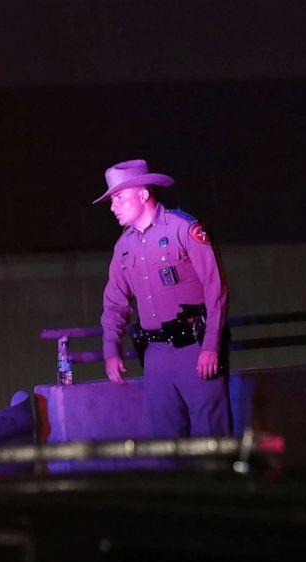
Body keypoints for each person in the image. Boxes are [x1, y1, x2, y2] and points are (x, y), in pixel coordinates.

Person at [95, 159, 232, 438]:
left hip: (195, 346)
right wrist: (111, 349)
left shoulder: (183, 229)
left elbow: (215, 288)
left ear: (143, 194)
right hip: (156, 353)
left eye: (119, 198)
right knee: (164, 438)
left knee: (211, 435)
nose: (113, 207)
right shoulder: (124, 246)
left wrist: (211, 345)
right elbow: (115, 302)